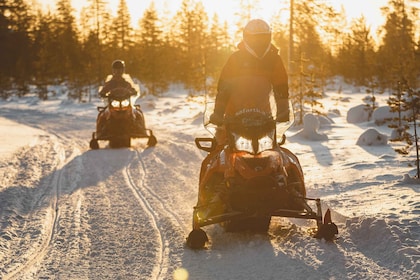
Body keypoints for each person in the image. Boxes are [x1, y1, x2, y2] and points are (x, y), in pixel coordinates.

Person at [209, 19, 290, 128]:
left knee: (272, 145)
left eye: (263, 38)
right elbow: (224, 88)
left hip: (264, 118)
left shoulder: (274, 60)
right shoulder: (236, 59)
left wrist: (283, 112)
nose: (259, 43)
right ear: (247, 38)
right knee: (221, 141)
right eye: (255, 39)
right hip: (233, 117)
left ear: (269, 37)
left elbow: (281, 88)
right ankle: (219, 143)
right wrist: (218, 113)